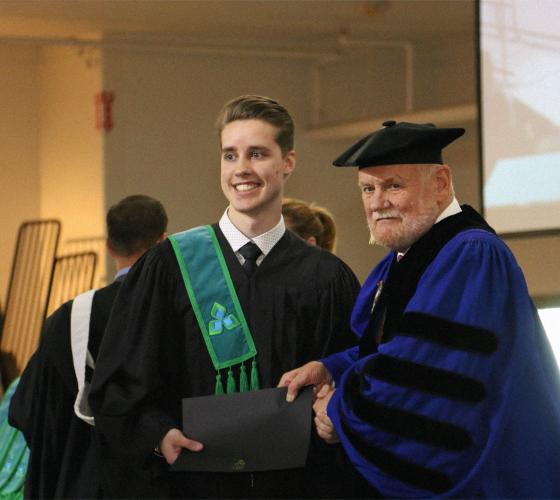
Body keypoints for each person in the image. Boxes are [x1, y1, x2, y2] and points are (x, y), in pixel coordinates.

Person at [89, 95, 365, 499]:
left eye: (258, 154)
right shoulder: (169, 267)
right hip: (192, 488)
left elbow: (356, 371)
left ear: (288, 161)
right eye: (230, 155)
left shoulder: (325, 277)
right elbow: (118, 385)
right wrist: (158, 434)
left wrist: (334, 406)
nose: (242, 169)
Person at [280, 120, 560, 498]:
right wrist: (331, 368)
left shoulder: (471, 255)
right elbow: (390, 349)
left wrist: (342, 410)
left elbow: (429, 372)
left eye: (394, 186)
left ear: (441, 183)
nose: (378, 202)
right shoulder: (404, 258)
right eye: (368, 188)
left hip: (489, 481)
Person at [8, 195, 168, 499]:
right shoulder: (176, 313)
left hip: (81, 483)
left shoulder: (68, 319)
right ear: (163, 242)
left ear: (108, 246)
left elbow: (25, 411)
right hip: (157, 482)